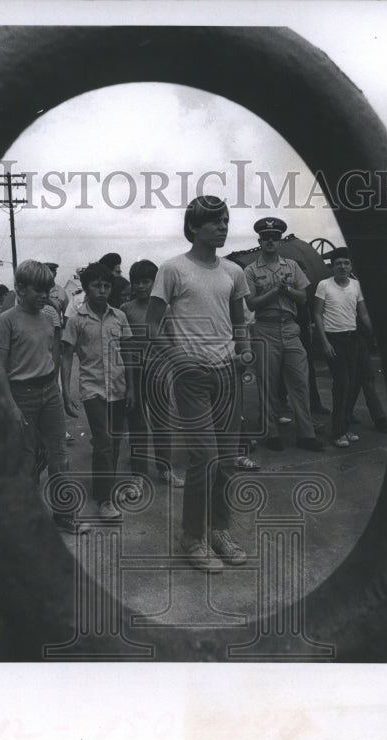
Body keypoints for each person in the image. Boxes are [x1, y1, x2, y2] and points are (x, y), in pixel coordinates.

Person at [146, 196, 251, 572]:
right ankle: (192, 538)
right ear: (193, 228)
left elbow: (239, 323)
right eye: (214, 222)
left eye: (225, 220)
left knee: (225, 462)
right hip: (192, 378)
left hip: (227, 374)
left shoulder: (233, 272)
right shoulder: (173, 269)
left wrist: (245, 353)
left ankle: (219, 530)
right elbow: (152, 328)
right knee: (204, 458)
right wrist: (179, 360)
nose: (223, 227)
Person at [0, 260, 82, 533]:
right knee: (27, 459)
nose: (45, 296)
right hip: (22, 394)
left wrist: (59, 392)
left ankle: (64, 516)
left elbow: (52, 354)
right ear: (19, 288)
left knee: (59, 456)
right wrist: (10, 405)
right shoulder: (6, 321)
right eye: (38, 290)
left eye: (48, 290)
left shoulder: (49, 317)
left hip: (48, 392)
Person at [61, 262, 136, 520]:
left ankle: (105, 487)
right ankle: (105, 500)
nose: (102, 290)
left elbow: (128, 354)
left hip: (118, 388)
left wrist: (132, 389)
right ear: (86, 288)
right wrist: (65, 392)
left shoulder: (120, 317)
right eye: (96, 285)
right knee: (103, 441)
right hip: (92, 389)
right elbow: (66, 355)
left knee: (114, 442)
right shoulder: (76, 320)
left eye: (106, 285)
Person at [244, 217, 324, 453]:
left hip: (290, 327)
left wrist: (287, 289)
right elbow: (252, 304)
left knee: (300, 382)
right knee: (267, 384)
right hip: (265, 328)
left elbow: (303, 296)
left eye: (275, 238)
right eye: (266, 238)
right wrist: (274, 291)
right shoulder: (251, 270)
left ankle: (306, 434)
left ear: (279, 242)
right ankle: (272, 433)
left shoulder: (292, 266)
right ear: (260, 241)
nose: (270, 242)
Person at [312, 248, 387, 448]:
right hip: (334, 340)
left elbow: (362, 315)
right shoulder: (324, 285)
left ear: (351, 266)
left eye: (346, 263)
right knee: (342, 384)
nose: (343, 267)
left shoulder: (356, 286)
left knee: (354, 385)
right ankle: (338, 433)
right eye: (338, 263)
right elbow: (318, 315)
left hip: (353, 339)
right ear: (332, 266)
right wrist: (324, 343)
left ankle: (345, 427)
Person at [121, 260, 184, 489]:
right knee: (137, 423)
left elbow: (173, 340)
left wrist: (172, 366)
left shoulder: (164, 309)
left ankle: (165, 469)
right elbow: (123, 344)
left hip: (158, 371)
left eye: (146, 281)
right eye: (136, 282)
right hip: (134, 372)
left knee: (161, 422)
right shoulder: (126, 309)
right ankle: (138, 474)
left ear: (155, 283)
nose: (140, 286)